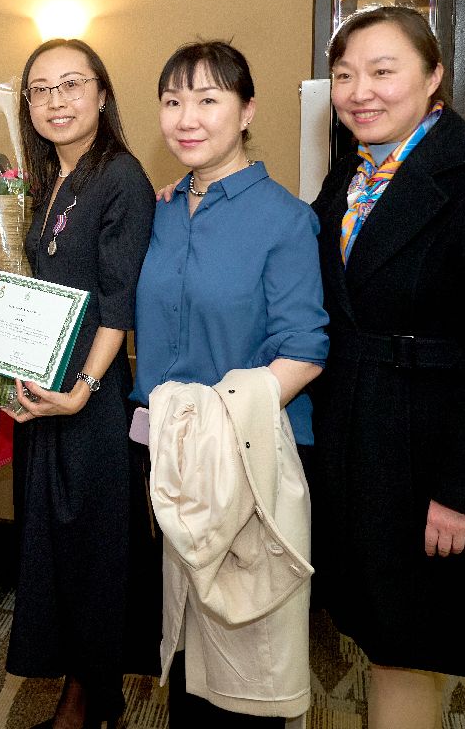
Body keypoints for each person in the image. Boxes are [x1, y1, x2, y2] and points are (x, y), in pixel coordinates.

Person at [311, 5, 465, 729]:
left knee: (407, 641)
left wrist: (462, 491)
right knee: (383, 631)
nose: (359, 92)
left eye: (383, 71)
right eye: (344, 75)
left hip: (427, 448)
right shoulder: (351, 176)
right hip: (356, 437)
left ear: (434, 75)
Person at [132, 41, 328, 725]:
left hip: (248, 455)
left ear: (247, 111)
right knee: (184, 634)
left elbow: (305, 351)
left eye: (208, 100)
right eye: (172, 101)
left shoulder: (285, 219)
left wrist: (215, 423)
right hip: (166, 454)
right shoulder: (158, 211)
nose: (187, 118)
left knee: (248, 651)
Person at [0, 39, 153, 729]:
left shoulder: (120, 177)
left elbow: (118, 300)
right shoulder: (44, 179)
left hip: (89, 396)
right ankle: (92, 688)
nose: (56, 101)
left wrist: (86, 388)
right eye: (40, 90)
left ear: (102, 93)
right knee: (51, 541)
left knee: (93, 546)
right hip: (44, 388)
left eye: (71, 84)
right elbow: (34, 276)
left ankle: (90, 693)